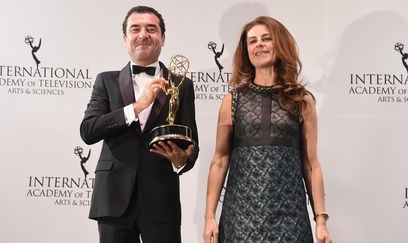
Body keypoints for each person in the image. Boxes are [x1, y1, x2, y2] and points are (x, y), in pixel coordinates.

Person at [203, 16, 332, 243]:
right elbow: (220, 160)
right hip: (240, 218)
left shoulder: (302, 100)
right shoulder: (232, 100)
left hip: (289, 218)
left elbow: (311, 164)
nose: (259, 45)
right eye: (252, 41)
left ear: (279, 44)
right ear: (246, 51)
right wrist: (209, 217)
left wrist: (320, 221)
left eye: (266, 38)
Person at [80, 5, 199, 243]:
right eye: (135, 29)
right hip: (113, 201)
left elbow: (191, 143)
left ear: (162, 38)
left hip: (161, 201)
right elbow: (89, 131)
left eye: (151, 29)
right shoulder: (106, 81)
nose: (143, 34)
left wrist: (181, 161)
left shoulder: (182, 84)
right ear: (125, 38)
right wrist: (137, 106)